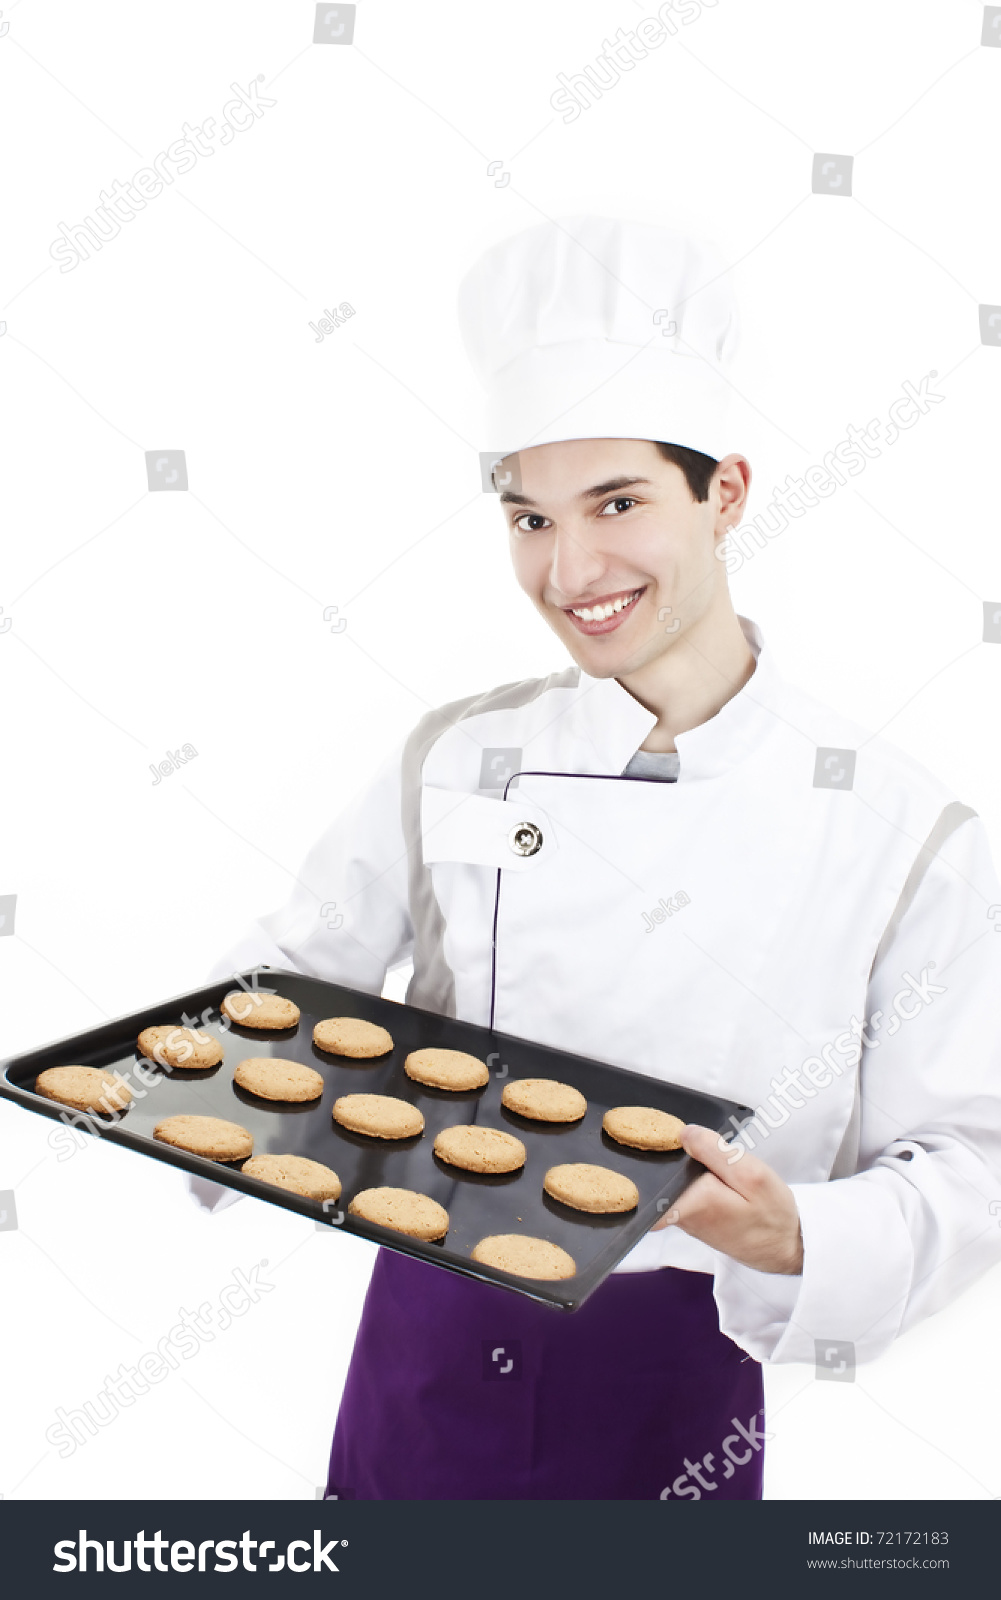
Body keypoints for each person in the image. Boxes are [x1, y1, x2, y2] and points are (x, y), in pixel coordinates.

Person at [205, 217, 1001, 1500]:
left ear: (725, 493)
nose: (568, 571)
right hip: (423, 1352)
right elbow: (287, 981)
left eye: (616, 504)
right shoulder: (451, 760)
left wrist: (793, 1229)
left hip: (669, 1384)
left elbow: (972, 1164)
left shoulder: (902, 833)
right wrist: (213, 1079)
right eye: (528, 517)